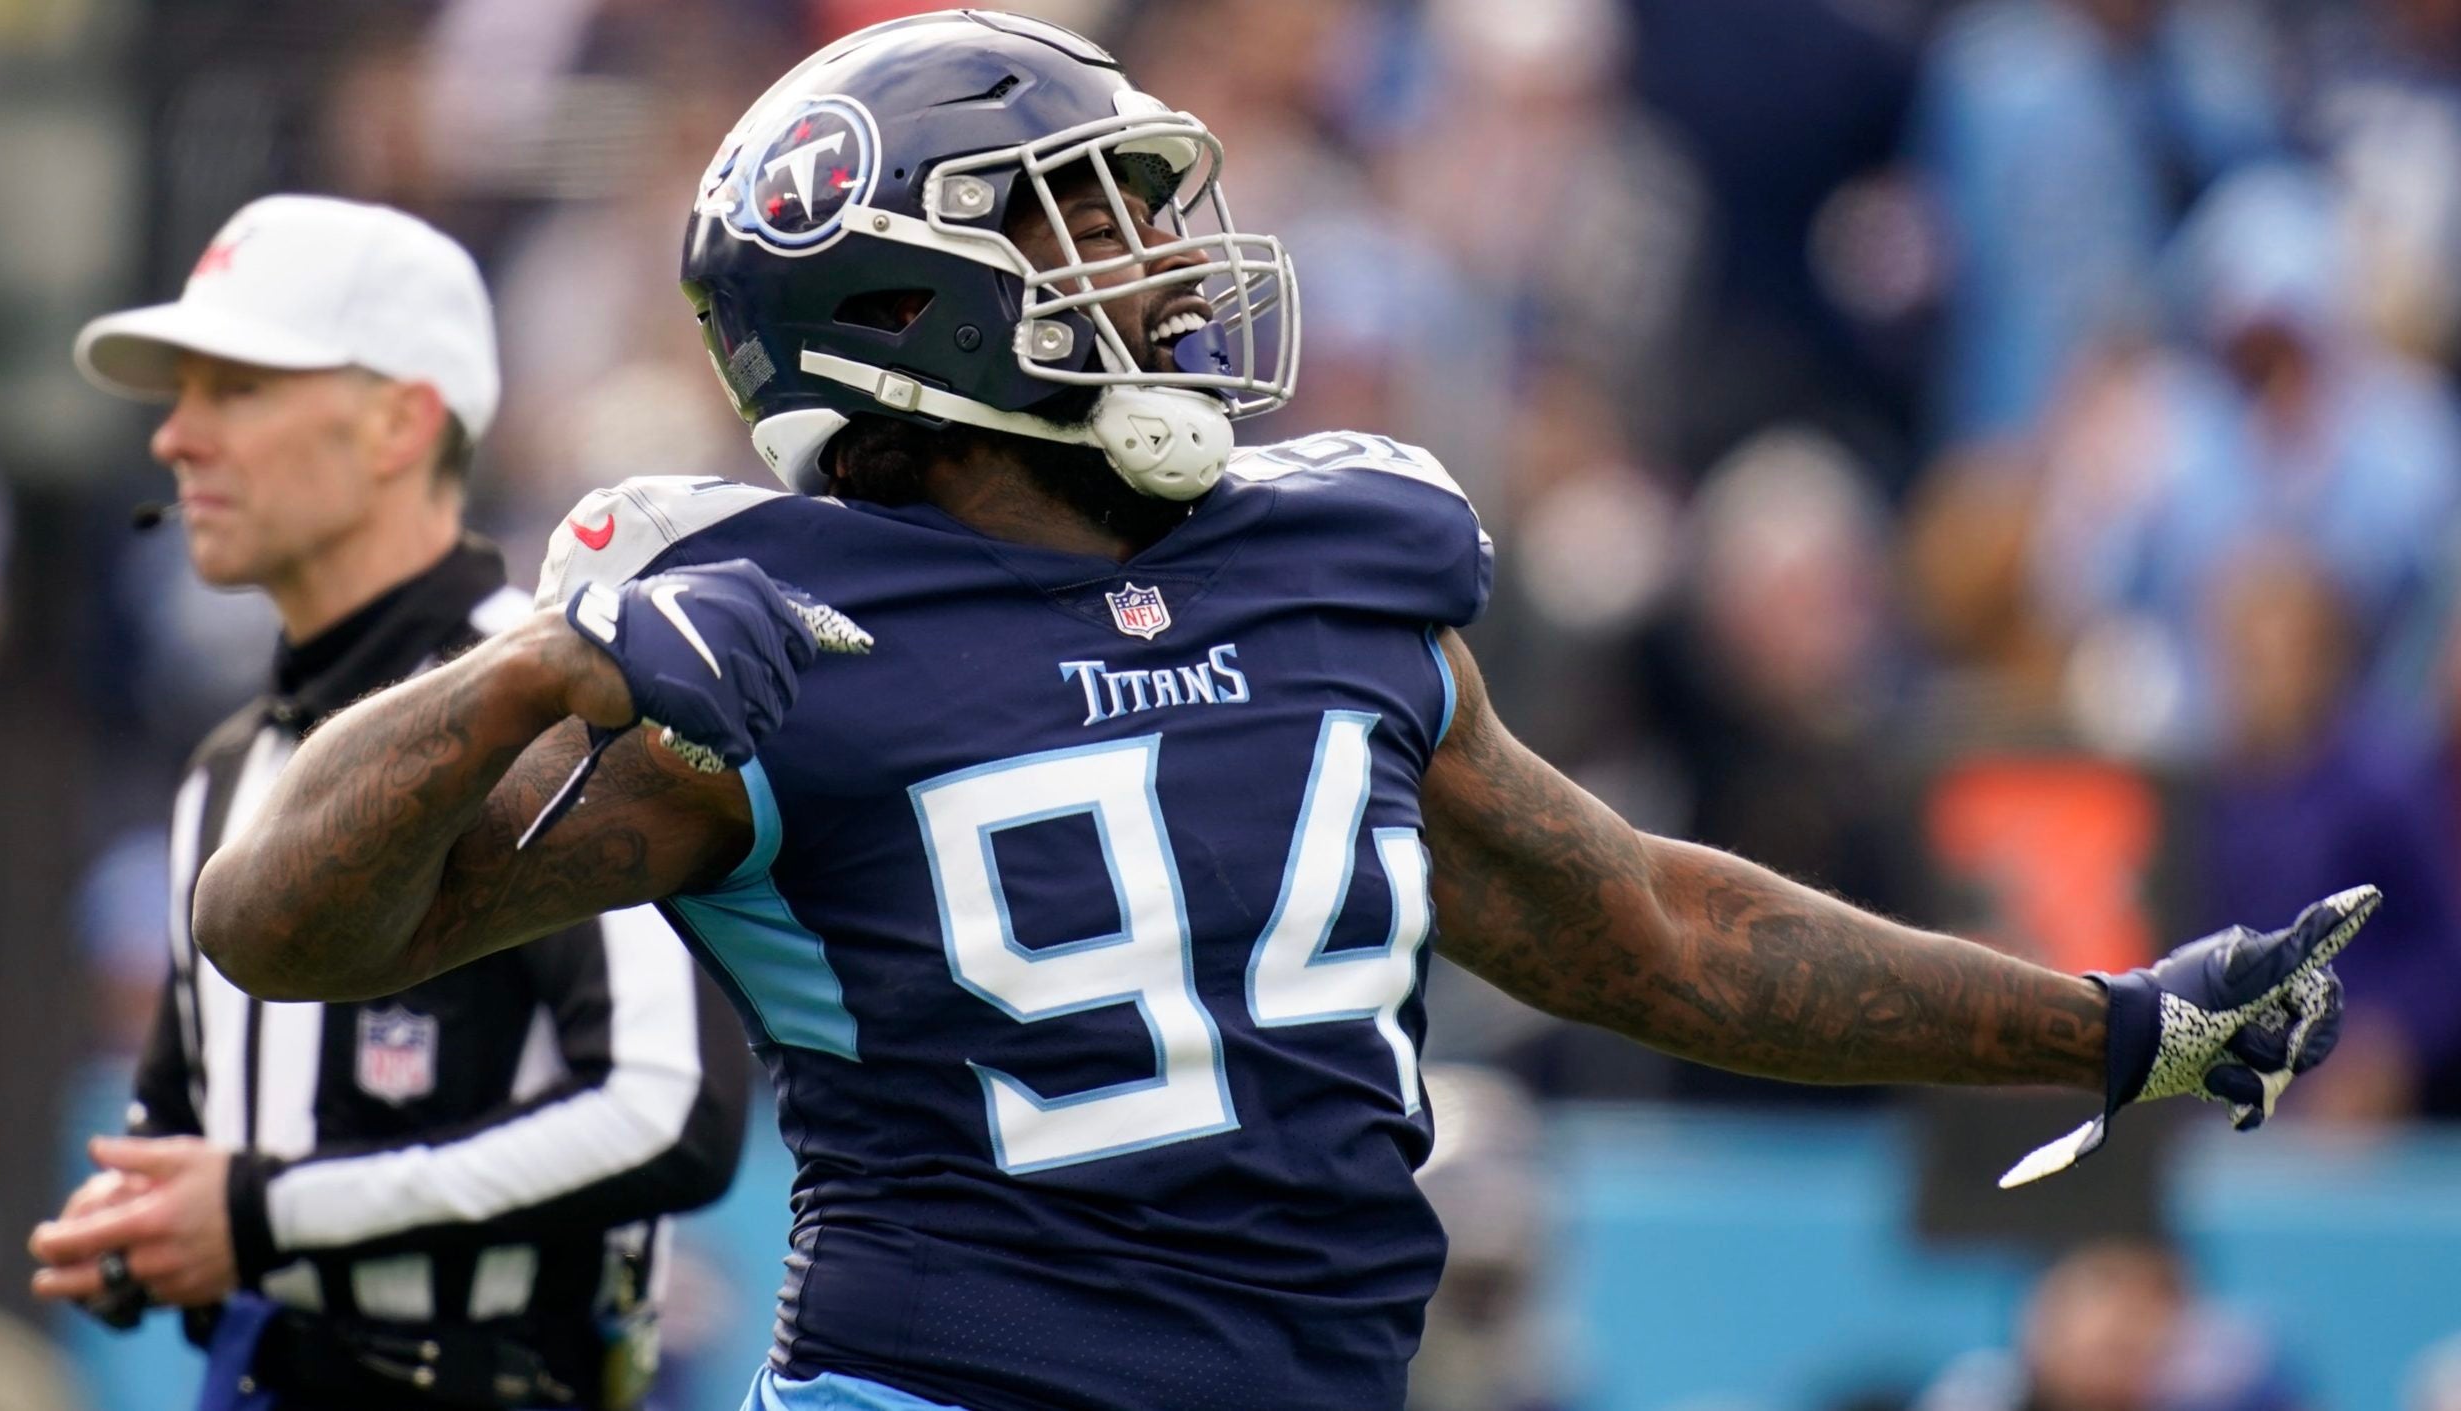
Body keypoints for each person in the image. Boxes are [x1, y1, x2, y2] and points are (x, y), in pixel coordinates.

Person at [187, 17, 2372, 1411]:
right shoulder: (773, 641)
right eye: (1081, 222)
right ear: (896, 294)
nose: (1157, 263)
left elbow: (1647, 928)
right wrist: (535, 668)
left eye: (1144, 213)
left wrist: (2096, 1025)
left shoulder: (1331, 553)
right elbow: (287, 924)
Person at [26, 194, 754, 1411]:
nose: (175, 438)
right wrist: (137, 1231)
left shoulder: (557, 708)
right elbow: (188, 1124)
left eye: (236, 389)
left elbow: (673, 1106)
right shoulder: (226, 766)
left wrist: (265, 1214)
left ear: (398, 423)